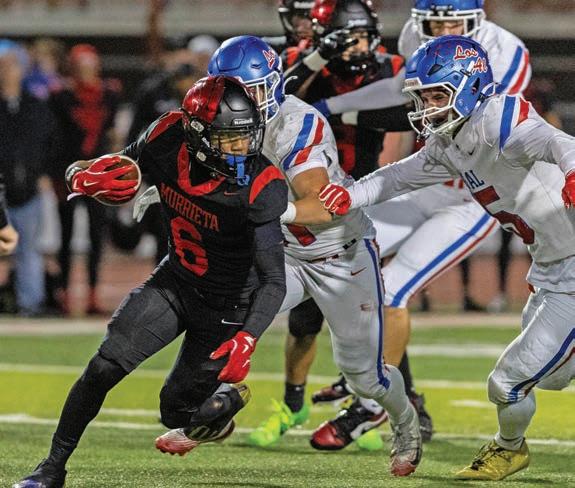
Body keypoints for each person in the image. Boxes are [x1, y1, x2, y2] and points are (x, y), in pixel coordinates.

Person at [319, 34, 575, 481]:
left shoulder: (498, 121)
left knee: (508, 382)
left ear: (470, 87)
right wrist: (350, 194)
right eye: (422, 97)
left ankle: (508, 449)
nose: (427, 107)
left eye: (438, 95)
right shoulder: (453, 142)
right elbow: (399, 177)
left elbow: (558, 142)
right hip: (552, 266)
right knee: (551, 377)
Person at [13, 75, 289, 488]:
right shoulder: (166, 135)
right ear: (196, 135)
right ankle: (51, 468)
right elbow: (116, 167)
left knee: (175, 413)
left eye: (246, 136)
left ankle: (215, 412)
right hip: (175, 282)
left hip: (227, 305)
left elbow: (274, 280)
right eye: (229, 139)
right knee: (103, 367)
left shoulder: (261, 185)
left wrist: (248, 337)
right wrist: (79, 177)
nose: (241, 148)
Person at [165, 35, 422, 476]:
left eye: (246, 90)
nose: (236, 102)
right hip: (282, 252)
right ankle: (211, 415)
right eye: (228, 90)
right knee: (222, 320)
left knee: (365, 377)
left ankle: (405, 423)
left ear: (270, 87)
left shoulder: (295, 124)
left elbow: (320, 206)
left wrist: (270, 210)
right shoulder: (219, 121)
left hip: (339, 253)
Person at [253, 0, 431, 450]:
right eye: (345, 38)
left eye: (361, 36)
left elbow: (411, 109)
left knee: (375, 304)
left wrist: (338, 110)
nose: (356, 47)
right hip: (301, 199)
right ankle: (294, 402)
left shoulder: (390, 66)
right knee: (304, 319)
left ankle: (394, 400)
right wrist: (319, 58)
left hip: (359, 197)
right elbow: (276, 96)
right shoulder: (301, 62)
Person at [49, 44, 122, 315]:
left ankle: (92, 293)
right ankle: (65, 293)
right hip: (68, 173)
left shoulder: (109, 94)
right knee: (66, 235)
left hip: (98, 174)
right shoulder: (61, 96)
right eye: (81, 66)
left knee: (95, 235)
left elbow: (112, 134)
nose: (86, 72)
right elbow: (54, 136)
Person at [0, 39, 55, 316]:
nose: (7, 71)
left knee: (29, 249)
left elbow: (49, 143)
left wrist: (43, 173)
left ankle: (30, 303)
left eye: (11, 66)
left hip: (28, 189)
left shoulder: (36, 106)